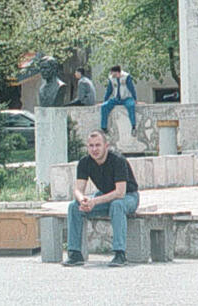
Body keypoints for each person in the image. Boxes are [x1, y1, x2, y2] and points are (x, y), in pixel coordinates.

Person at [64, 130, 139, 266]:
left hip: (128, 197)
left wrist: (94, 201)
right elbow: (77, 189)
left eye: (98, 145)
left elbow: (120, 193)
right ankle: (75, 253)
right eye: (91, 146)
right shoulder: (84, 162)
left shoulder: (118, 161)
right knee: (74, 207)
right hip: (104, 197)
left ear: (106, 146)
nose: (94, 149)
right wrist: (82, 200)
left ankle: (119, 254)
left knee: (117, 205)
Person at [100, 65, 137, 133]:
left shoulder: (126, 77)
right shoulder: (111, 78)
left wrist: (135, 98)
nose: (112, 75)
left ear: (117, 72)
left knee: (131, 106)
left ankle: (133, 126)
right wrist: (105, 100)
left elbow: (131, 88)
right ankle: (103, 127)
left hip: (126, 98)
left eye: (113, 73)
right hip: (116, 98)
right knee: (104, 106)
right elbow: (109, 90)